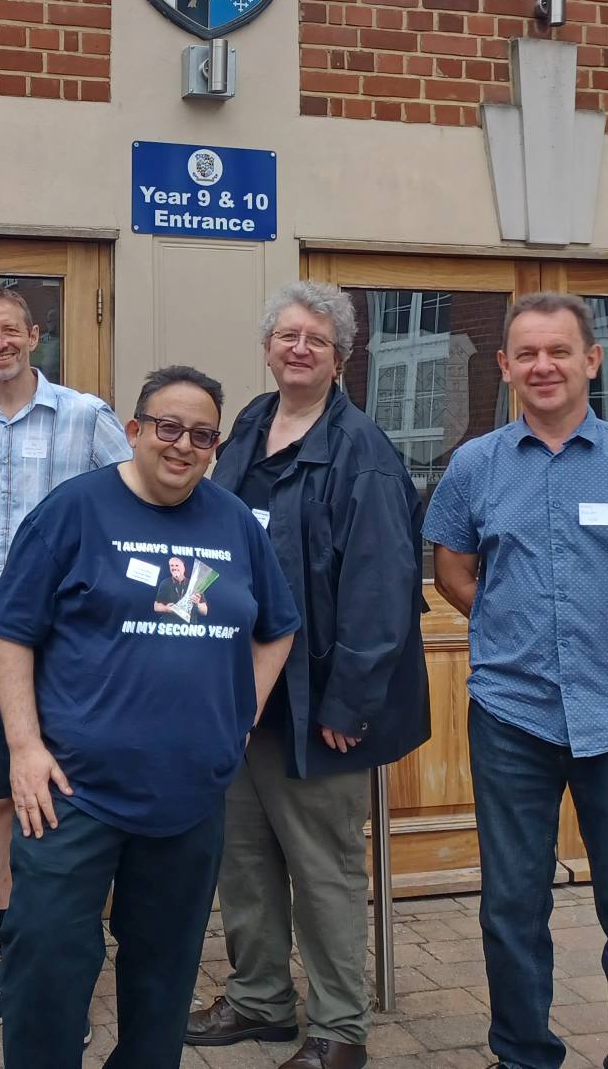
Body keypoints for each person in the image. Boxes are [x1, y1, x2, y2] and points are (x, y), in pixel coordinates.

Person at [424, 292, 608, 1069]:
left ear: (592, 360)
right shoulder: (475, 466)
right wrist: (515, 624)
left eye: (559, 351)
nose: (543, 366)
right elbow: (452, 570)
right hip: (512, 716)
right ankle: (523, 1055)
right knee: (511, 906)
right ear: (504, 366)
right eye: (527, 353)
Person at [0, 365, 299, 1069]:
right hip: (71, 793)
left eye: (202, 435)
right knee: (49, 961)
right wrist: (25, 746)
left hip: (188, 795)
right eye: (168, 427)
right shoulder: (74, 512)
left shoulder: (233, 523)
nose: (183, 444)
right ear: (134, 430)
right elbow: (11, 632)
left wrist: (241, 715)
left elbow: (277, 627)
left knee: (164, 973)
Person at [187, 282, 430, 1069]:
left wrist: (349, 703)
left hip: (318, 702)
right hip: (242, 694)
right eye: (287, 335)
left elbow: (382, 591)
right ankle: (260, 999)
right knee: (244, 858)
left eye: (316, 340)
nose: (298, 349)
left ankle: (338, 1029)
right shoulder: (248, 427)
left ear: (340, 357)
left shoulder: (363, 453)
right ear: (267, 348)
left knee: (323, 868)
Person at [0, 284, 129, 1031]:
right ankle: (13, 948)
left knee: (68, 805)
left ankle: (67, 956)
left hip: (69, 651)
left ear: (34, 336)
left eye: (10, 330)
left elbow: (131, 495)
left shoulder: (85, 415)